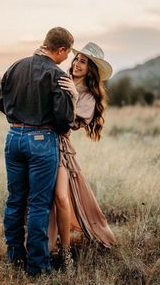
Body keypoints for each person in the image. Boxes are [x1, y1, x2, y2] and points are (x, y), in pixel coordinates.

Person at [0, 27, 74, 276]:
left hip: (13, 137)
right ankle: (38, 266)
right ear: (60, 50)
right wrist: (69, 98)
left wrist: (20, 117)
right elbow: (64, 121)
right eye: (68, 53)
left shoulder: (15, 66)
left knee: (15, 200)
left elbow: (1, 103)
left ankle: (15, 257)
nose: (67, 58)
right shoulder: (57, 74)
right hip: (42, 139)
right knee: (39, 204)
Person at [48, 42, 116, 269]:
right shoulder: (59, 78)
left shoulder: (88, 96)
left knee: (61, 196)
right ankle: (48, 248)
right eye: (76, 59)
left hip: (59, 146)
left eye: (83, 61)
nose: (76, 63)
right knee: (42, 199)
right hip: (38, 142)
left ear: (91, 69)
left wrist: (72, 94)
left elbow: (69, 122)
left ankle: (66, 253)